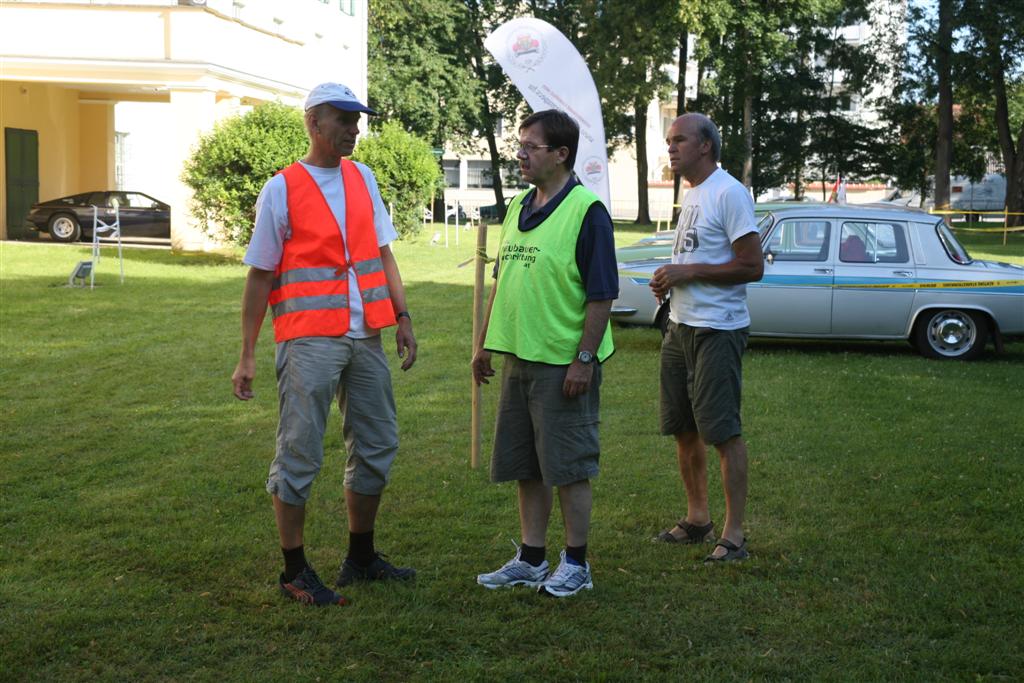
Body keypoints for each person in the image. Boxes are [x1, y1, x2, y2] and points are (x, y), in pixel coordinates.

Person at [232, 82, 418, 606]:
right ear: (315, 124)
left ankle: (360, 557)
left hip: (367, 337)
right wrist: (247, 354)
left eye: (357, 120)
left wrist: (402, 316)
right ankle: (295, 570)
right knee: (300, 451)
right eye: (344, 119)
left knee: (378, 444)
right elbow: (258, 276)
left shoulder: (364, 178)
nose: (354, 129)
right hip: (308, 339)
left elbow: (383, 255)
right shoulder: (283, 188)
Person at [471, 109, 617, 597]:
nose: (520, 155)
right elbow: (503, 281)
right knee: (525, 464)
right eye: (520, 145)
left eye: (530, 147)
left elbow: (602, 294)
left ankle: (576, 563)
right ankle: (531, 558)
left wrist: (585, 358)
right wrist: (487, 342)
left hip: (563, 364)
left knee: (569, 467)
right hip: (520, 359)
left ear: (561, 154)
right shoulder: (518, 207)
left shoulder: (587, 212)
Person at [649, 113, 763, 562]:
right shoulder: (693, 193)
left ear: (706, 146)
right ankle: (698, 519)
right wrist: (670, 280)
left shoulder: (730, 192)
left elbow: (752, 266)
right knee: (683, 428)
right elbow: (696, 257)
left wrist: (688, 271)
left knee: (722, 432)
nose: (671, 148)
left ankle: (734, 535)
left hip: (718, 330)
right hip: (680, 326)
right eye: (668, 141)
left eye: (679, 140)